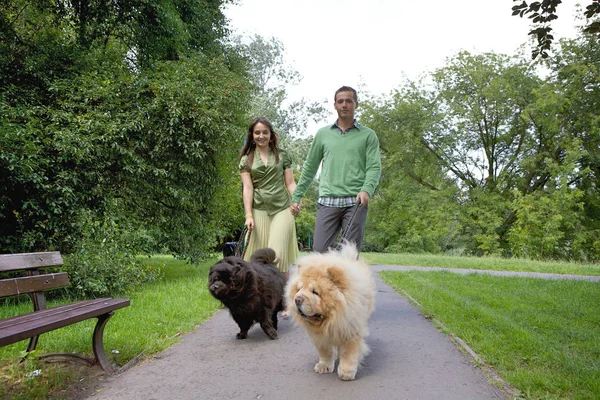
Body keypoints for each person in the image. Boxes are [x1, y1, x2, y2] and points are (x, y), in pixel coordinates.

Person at [290, 86, 381, 253]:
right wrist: (297, 196)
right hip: (327, 201)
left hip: (355, 201)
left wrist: (367, 190)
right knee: (319, 251)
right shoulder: (323, 134)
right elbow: (310, 167)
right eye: (340, 101)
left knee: (349, 255)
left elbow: (374, 167)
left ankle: (346, 279)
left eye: (349, 101)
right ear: (335, 105)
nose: (344, 105)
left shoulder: (368, 135)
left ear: (356, 105)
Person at [239, 116, 299, 290]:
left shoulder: (282, 156)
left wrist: (296, 200)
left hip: (282, 208)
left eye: (265, 132)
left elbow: (290, 183)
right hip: (259, 210)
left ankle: (284, 298)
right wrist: (248, 214)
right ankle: (265, 298)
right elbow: (248, 188)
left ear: (271, 135)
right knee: (258, 258)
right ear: (252, 135)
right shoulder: (246, 160)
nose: (261, 136)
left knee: (278, 255)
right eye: (257, 132)